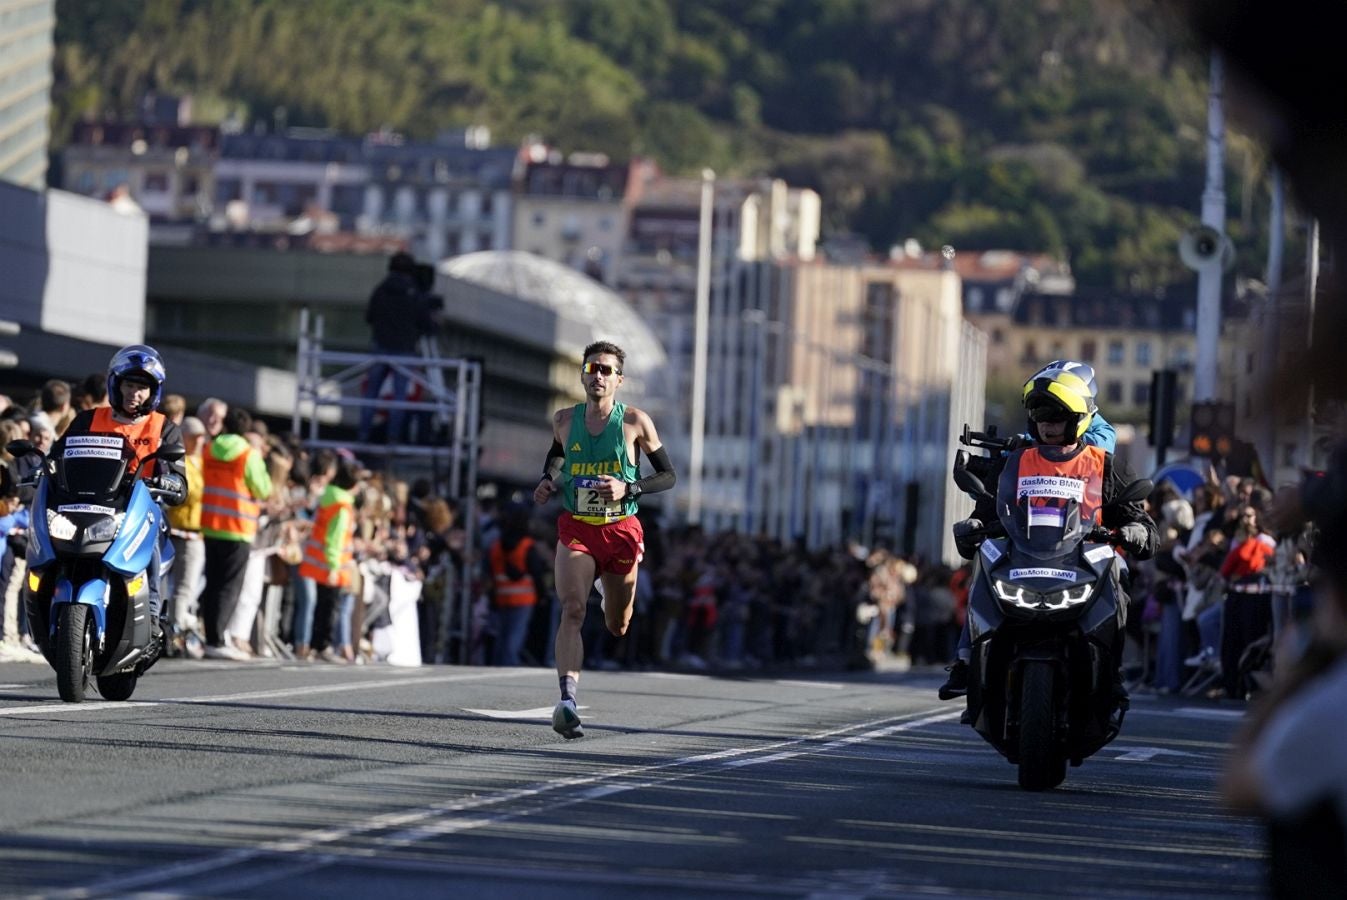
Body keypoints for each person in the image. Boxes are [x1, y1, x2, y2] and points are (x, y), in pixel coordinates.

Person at [939, 361, 1158, 702]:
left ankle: (1109, 670)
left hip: (1083, 558)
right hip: (1024, 554)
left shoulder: (1104, 463)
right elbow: (985, 511)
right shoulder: (1016, 459)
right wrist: (973, 527)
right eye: (1041, 417)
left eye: (1056, 418)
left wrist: (1136, 531)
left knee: (1119, 567)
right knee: (986, 556)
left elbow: (1142, 522)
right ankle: (967, 661)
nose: (1048, 425)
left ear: (1078, 419)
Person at [533, 341, 676, 738]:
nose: (598, 375)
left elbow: (668, 476)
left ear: (618, 380)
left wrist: (629, 487)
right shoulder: (563, 419)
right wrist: (548, 482)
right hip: (577, 526)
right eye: (592, 368)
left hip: (620, 531)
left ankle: (611, 589)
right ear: (582, 373)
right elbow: (557, 457)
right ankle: (566, 702)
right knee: (573, 609)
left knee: (618, 623)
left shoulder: (634, 421)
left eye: (606, 370)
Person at [60, 345, 187, 651]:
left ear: (154, 391)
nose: (135, 393)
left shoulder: (165, 428)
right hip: (86, 505)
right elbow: (57, 456)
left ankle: (153, 614)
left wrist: (168, 481)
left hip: (139, 509)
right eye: (130, 384)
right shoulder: (87, 420)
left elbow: (180, 481)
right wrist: (42, 468)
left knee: (152, 534)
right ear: (115, 384)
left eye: (143, 387)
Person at [198, 406, 272, 660]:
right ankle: (218, 640)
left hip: (209, 523)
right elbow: (262, 489)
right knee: (229, 587)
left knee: (212, 583)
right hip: (238, 528)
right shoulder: (248, 453)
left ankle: (211, 637)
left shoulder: (209, 449)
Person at [359, 251, 436, 445]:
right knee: (399, 396)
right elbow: (426, 324)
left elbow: (369, 316)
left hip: (380, 346)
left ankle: (363, 434)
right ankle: (393, 437)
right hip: (404, 349)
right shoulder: (415, 294)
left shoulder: (380, 290)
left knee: (371, 394)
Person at [297, 455, 358, 663]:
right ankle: (323, 645)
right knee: (330, 607)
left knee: (322, 605)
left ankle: (315, 644)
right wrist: (334, 566)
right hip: (332, 564)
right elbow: (335, 539)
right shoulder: (342, 506)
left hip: (319, 561)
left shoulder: (328, 498)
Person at [485, 502, 549, 667]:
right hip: (523, 600)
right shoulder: (526, 546)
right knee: (514, 639)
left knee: (501, 637)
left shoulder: (497, 546)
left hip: (501, 598)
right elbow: (536, 573)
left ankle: (497, 667)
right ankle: (509, 666)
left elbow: (491, 572)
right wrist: (542, 595)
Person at [166, 415, 207, 657]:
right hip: (181, 530)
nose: (200, 441)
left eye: (202, 437)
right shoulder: (183, 461)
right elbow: (188, 494)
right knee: (181, 587)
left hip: (196, 533)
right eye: (195, 436)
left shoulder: (201, 462)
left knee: (187, 588)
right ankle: (175, 634)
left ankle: (178, 631)